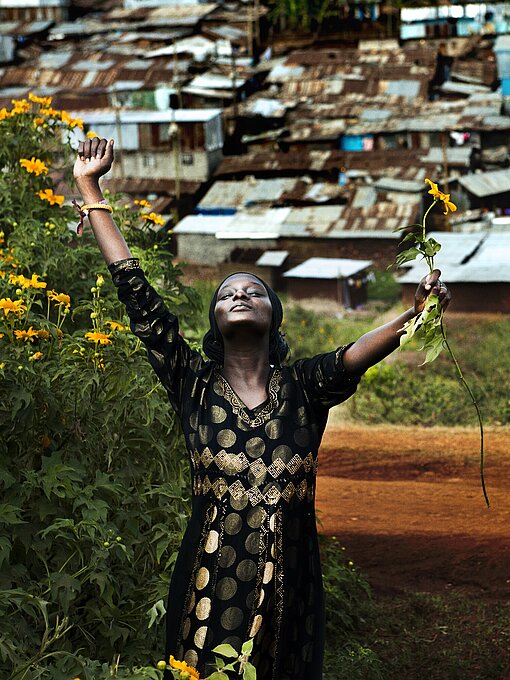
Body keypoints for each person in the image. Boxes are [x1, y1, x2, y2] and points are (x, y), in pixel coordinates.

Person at [73, 138, 451, 680]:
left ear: (274, 316)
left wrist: (413, 316)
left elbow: (354, 356)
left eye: (255, 290)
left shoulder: (303, 386)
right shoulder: (192, 383)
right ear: (214, 322)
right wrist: (90, 187)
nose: (243, 295)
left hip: (293, 581)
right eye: (229, 293)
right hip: (210, 581)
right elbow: (136, 294)